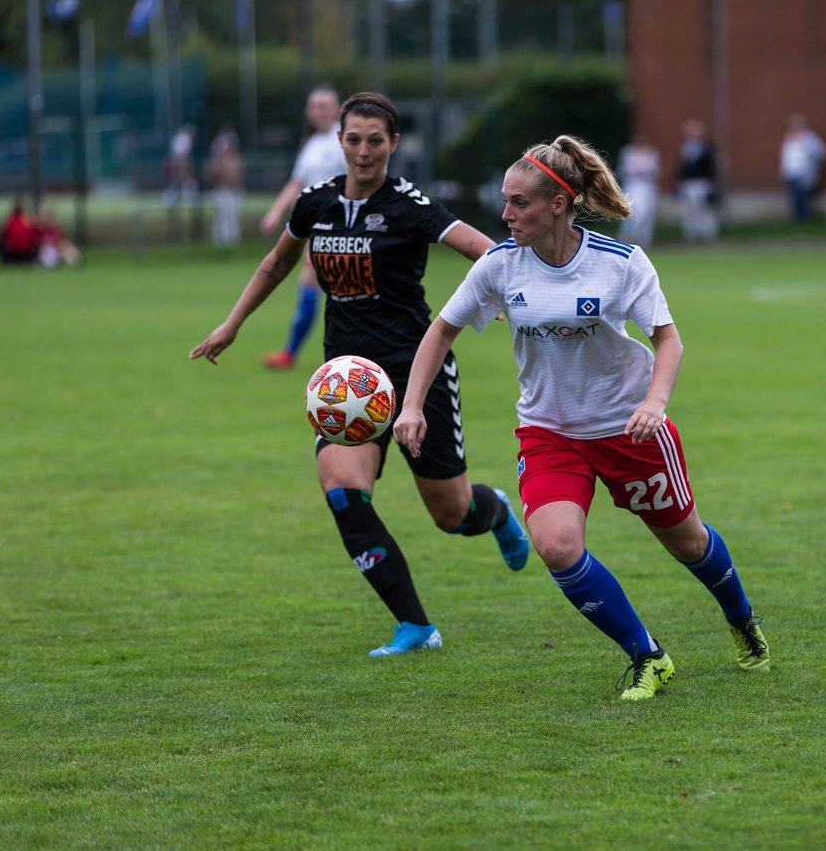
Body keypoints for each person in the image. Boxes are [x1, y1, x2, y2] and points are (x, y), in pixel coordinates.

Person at [392, 135, 770, 701]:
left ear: (559, 206)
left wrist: (654, 405)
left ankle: (743, 623)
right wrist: (412, 405)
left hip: (629, 430)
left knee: (688, 544)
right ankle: (648, 655)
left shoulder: (620, 263)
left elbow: (668, 341)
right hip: (549, 433)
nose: (506, 214)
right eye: (505, 200)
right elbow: (441, 329)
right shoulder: (499, 266)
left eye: (520, 203)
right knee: (557, 546)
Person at [190, 92, 530, 658]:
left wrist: (512, 298)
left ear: (393, 144)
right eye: (354, 140)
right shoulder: (315, 203)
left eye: (376, 141)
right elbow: (276, 263)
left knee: (452, 514)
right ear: (339, 141)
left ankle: (493, 510)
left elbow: (484, 249)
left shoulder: (409, 205)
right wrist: (233, 323)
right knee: (343, 490)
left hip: (416, 373)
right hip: (348, 383)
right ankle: (415, 626)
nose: (364, 151)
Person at [260, 84, 347, 370]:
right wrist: (275, 212)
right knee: (314, 287)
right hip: (315, 228)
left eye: (324, 106)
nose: (318, 111)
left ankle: (301, 353)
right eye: (314, 106)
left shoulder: (343, 140)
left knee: (337, 290)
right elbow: (297, 183)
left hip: (342, 228)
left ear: (337, 109)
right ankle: (293, 353)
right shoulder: (311, 144)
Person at [778, 113, 826, 223]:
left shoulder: (809, 138)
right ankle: (796, 217)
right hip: (791, 172)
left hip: (804, 172)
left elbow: (821, 152)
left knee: (802, 196)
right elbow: (785, 155)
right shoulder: (789, 138)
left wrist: (813, 163)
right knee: (794, 196)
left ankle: (803, 218)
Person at [676, 119, 719, 243]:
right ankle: (691, 234)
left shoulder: (705, 147)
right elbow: (680, 166)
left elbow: (711, 165)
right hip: (688, 183)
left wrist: (712, 182)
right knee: (690, 210)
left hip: (702, 182)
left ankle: (707, 233)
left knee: (704, 209)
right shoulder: (684, 147)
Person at [617, 132, 661, 247]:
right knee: (631, 211)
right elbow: (623, 169)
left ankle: (644, 239)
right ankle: (628, 237)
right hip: (632, 185)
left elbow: (656, 170)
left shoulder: (651, 153)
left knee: (646, 213)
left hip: (646, 185)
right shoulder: (627, 152)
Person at [204, 126, 246, 248]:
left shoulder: (236, 160)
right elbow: (210, 176)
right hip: (221, 191)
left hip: (233, 192)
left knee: (232, 217)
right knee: (220, 218)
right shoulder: (216, 161)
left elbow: (238, 176)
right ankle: (220, 243)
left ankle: (232, 242)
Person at [0, 198, 40, 264]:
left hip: (14, 252)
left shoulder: (10, 221)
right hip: (26, 252)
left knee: (1, 242)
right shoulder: (28, 220)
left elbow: (2, 234)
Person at [162, 125, 199, 206]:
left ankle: (186, 195)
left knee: (181, 180)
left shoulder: (180, 137)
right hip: (178, 159)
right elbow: (183, 153)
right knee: (179, 179)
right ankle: (176, 196)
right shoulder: (186, 138)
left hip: (176, 158)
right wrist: (184, 162)